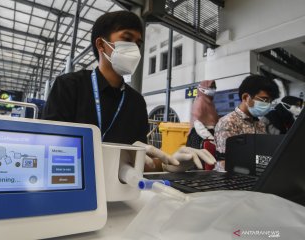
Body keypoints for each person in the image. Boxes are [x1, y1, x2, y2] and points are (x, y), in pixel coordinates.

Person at [43, 11, 215, 171]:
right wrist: (110, 156)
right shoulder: (69, 86)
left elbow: (141, 163)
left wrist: (170, 164)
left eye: (138, 43)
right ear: (101, 44)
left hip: (122, 189)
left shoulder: (136, 101)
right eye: (126, 39)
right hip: (73, 184)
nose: (134, 49)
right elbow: (52, 148)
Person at [214, 75, 280, 169]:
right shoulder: (228, 122)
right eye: (265, 100)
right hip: (231, 176)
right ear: (246, 97)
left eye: (270, 101)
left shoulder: (259, 123)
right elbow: (226, 162)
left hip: (256, 171)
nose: (268, 105)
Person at [186, 80, 219, 149]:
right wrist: (210, 138)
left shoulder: (211, 103)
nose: (213, 89)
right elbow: (197, 124)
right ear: (203, 89)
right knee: (201, 157)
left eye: (214, 87)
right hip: (199, 136)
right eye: (211, 87)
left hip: (210, 135)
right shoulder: (199, 101)